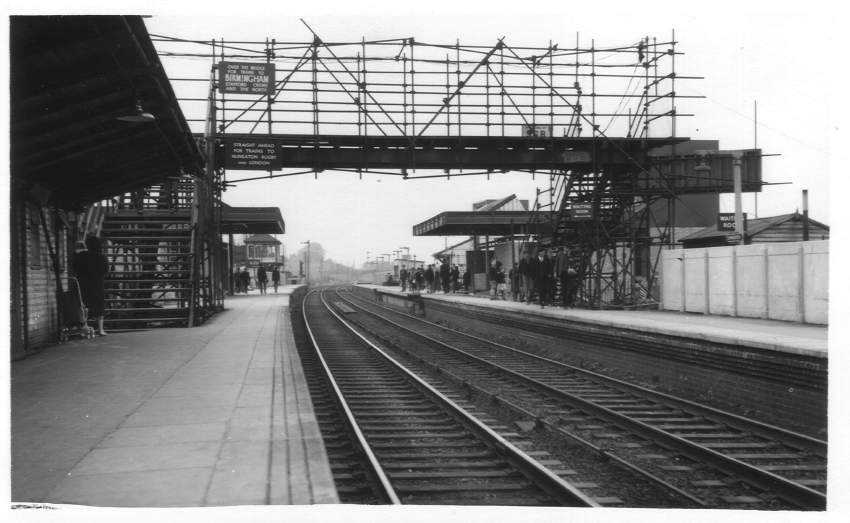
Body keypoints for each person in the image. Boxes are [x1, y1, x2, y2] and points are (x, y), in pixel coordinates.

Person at [73, 236, 109, 336]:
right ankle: (100, 330)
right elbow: (106, 271)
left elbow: (75, 267)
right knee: (99, 306)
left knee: (84, 305)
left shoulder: (81, 256)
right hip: (98, 284)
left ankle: (85, 328)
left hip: (84, 284)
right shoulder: (102, 257)